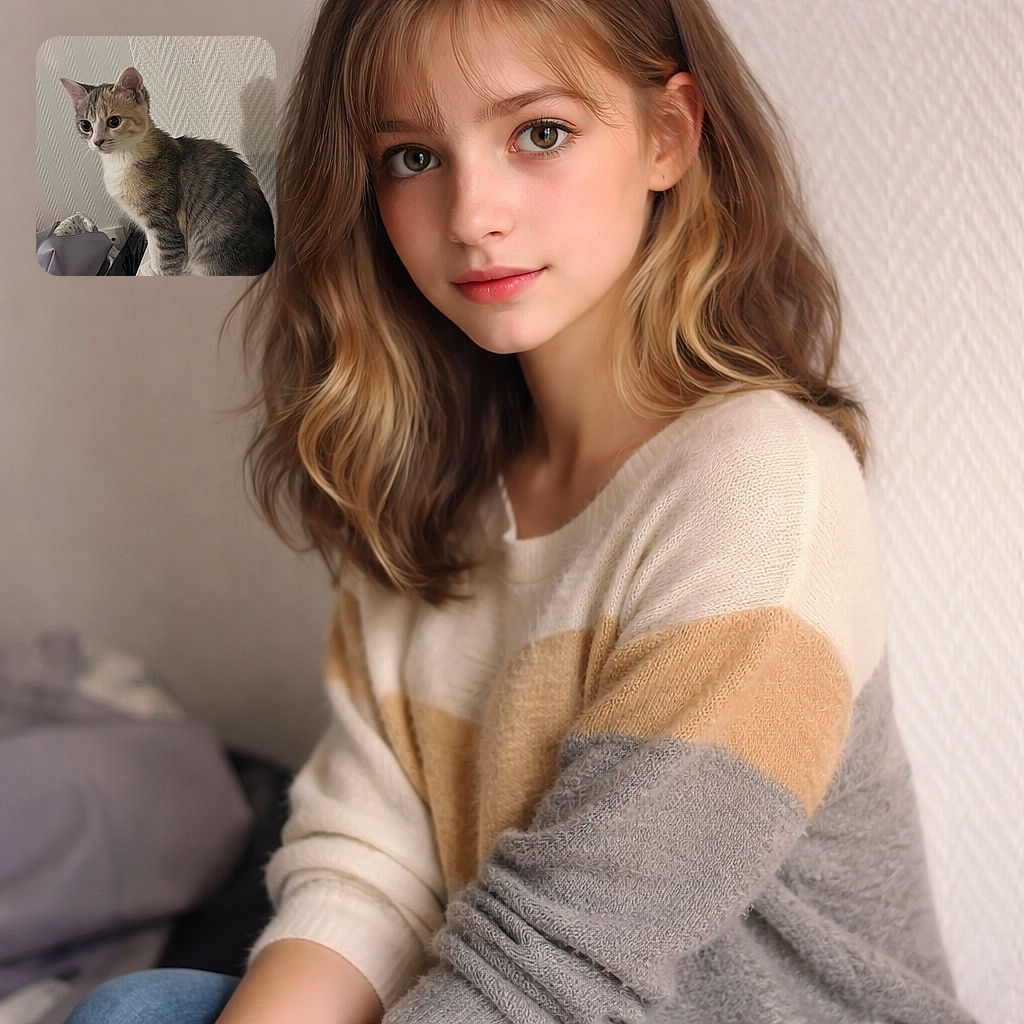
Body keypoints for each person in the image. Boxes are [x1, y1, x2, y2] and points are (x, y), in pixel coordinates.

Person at [66, 0, 978, 1022]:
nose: (470, 214)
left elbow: (557, 963)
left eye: (538, 133)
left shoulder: (762, 485)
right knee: (139, 1007)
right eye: (411, 157)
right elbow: (370, 866)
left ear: (667, 137)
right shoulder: (424, 491)